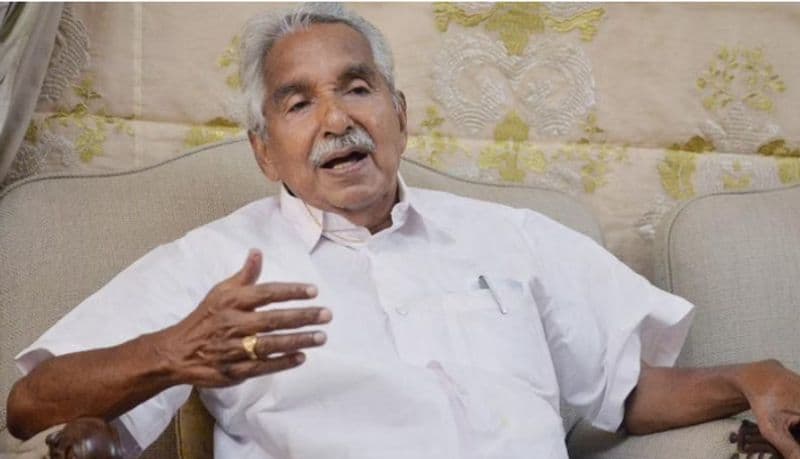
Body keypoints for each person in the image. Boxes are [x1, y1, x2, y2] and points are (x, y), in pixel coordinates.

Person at [6, 3, 800, 458]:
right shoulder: (218, 264)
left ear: (399, 114)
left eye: (357, 88)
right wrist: (172, 350)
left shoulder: (515, 235)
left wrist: (750, 376)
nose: (337, 120)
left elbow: (626, 393)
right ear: (263, 150)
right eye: (298, 102)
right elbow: (31, 403)